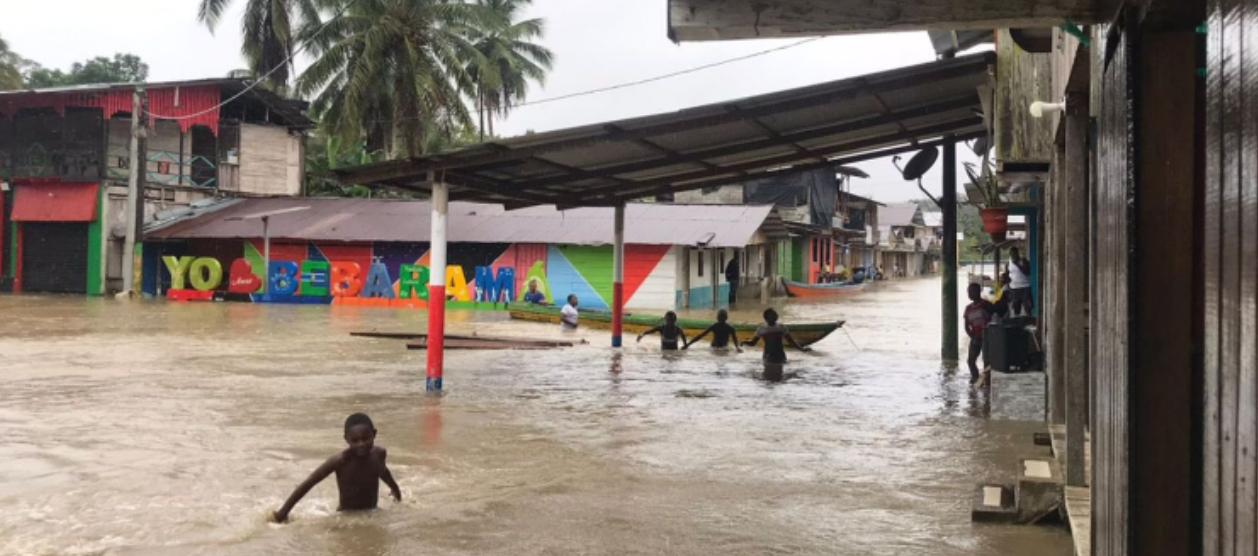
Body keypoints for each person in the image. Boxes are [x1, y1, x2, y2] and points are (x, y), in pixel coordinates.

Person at [272, 413, 401, 523]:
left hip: (373, 513)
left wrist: (395, 490)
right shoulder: (340, 461)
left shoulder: (379, 454)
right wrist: (283, 513)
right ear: (346, 439)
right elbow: (309, 483)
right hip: (346, 517)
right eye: (355, 440)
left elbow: (383, 472)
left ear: (374, 434)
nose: (361, 444)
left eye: (365, 439)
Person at [742, 308, 811, 381]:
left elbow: (791, 341)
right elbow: (753, 343)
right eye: (773, 315)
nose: (776, 316)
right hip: (768, 356)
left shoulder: (781, 327)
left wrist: (801, 349)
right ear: (766, 318)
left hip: (780, 355)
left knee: (779, 375)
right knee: (768, 375)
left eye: (775, 314)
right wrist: (744, 342)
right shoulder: (761, 329)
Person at [964, 283, 1000, 385]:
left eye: (972, 291)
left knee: (987, 361)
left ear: (978, 292)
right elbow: (966, 326)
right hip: (975, 338)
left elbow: (996, 318)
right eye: (968, 291)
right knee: (971, 361)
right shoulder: (968, 308)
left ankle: (987, 383)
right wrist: (973, 336)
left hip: (987, 337)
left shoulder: (986, 305)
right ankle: (975, 379)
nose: (969, 293)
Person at [1006, 247, 1033, 317]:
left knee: (1027, 306)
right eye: (1011, 254)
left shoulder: (1023, 260)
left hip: (1025, 287)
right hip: (1014, 288)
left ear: (1017, 253)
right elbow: (1007, 275)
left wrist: (1018, 264)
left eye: (1014, 253)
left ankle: (1029, 320)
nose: (1013, 255)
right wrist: (1008, 286)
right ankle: (1017, 323)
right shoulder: (1008, 263)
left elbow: (1027, 272)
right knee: (1016, 308)